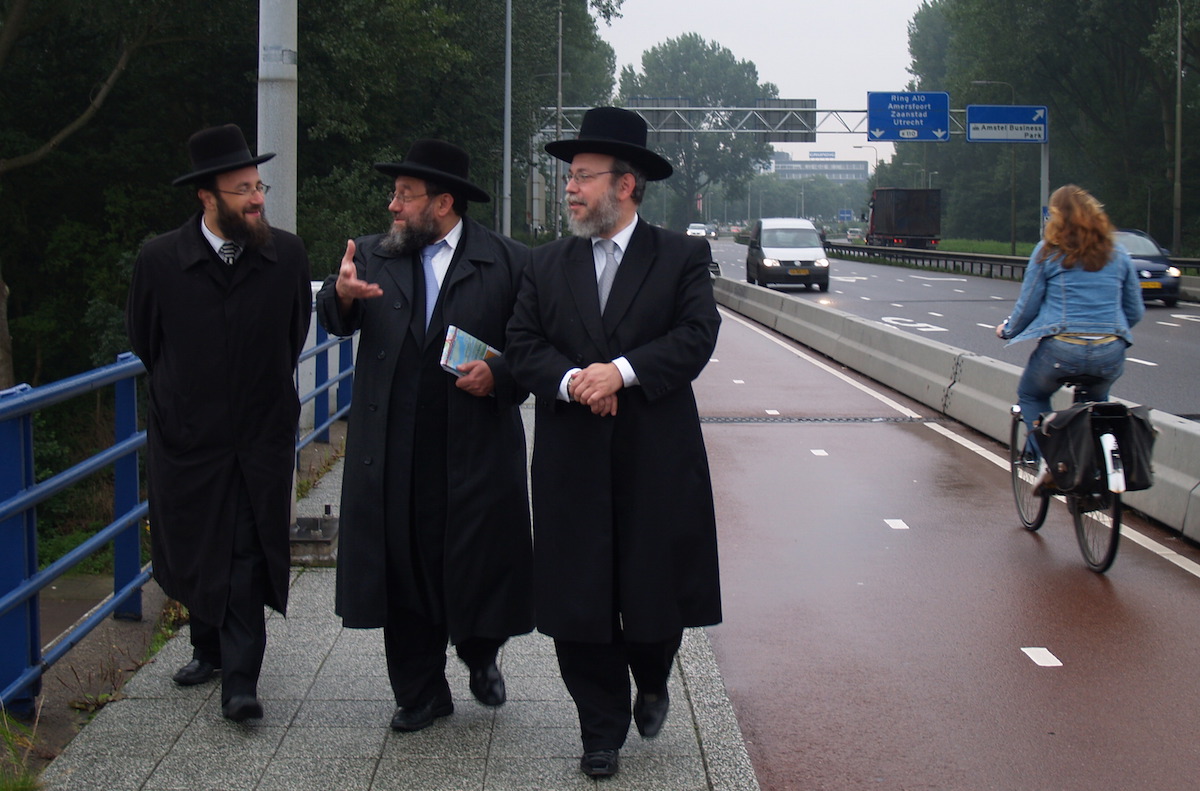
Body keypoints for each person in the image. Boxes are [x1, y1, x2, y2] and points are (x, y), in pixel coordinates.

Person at [505, 106, 722, 779]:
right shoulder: (545, 265)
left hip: (654, 457)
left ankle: (652, 676)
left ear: (625, 185)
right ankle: (600, 727)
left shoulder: (682, 256)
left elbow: (696, 336)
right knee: (578, 601)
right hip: (572, 458)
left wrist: (621, 373)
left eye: (582, 177)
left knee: (656, 595)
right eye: (569, 176)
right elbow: (521, 343)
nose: (569, 188)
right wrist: (572, 380)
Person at [314, 140, 533, 732]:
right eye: (394, 194)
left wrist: (503, 374)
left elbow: (535, 347)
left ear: (442, 202)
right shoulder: (374, 255)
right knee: (402, 568)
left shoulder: (508, 261)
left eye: (404, 196)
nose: (393, 206)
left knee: (475, 562)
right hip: (394, 448)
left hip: (474, 446)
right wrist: (336, 296)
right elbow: (335, 318)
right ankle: (419, 691)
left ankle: (480, 652)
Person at [125, 124, 312, 722]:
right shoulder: (159, 260)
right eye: (242, 190)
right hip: (188, 440)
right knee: (192, 548)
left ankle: (240, 681)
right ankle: (206, 647)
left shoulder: (285, 257)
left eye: (258, 186)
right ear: (206, 197)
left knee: (244, 552)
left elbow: (293, 337)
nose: (258, 199)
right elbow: (144, 340)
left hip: (258, 437)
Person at [996, 184, 1144, 486]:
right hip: (1109, 350)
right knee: (1096, 405)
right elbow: (1135, 310)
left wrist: (1007, 329)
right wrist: (1109, 331)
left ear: (1056, 217)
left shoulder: (1048, 251)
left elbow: (1028, 307)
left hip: (1062, 349)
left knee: (1031, 394)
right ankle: (1096, 471)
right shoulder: (1118, 253)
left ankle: (1049, 462)